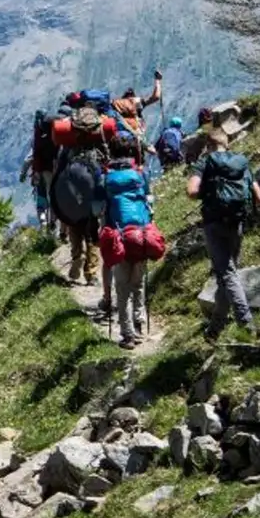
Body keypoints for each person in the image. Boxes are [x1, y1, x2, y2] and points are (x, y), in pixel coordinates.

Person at [187, 143, 260, 341]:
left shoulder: (206, 163)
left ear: (209, 145)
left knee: (228, 275)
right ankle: (215, 330)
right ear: (227, 143)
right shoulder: (241, 163)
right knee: (226, 276)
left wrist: (210, 193)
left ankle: (246, 325)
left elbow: (192, 191)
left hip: (214, 224)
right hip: (236, 223)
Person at [101, 134, 155, 349]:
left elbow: (97, 207)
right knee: (138, 284)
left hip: (118, 236)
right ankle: (139, 324)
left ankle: (128, 335)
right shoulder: (141, 175)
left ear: (111, 152)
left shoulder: (105, 177)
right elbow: (150, 202)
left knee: (122, 288)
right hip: (141, 236)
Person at [50, 142, 105, 287]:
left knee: (74, 228)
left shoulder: (65, 150)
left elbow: (57, 177)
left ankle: (77, 257)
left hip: (70, 200)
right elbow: (100, 178)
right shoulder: (94, 149)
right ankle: (91, 273)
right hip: (89, 200)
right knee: (91, 236)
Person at [112, 71, 163, 144]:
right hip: (136, 136)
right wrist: (157, 80)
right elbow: (156, 97)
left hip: (119, 138)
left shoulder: (116, 104)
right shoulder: (137, 103)